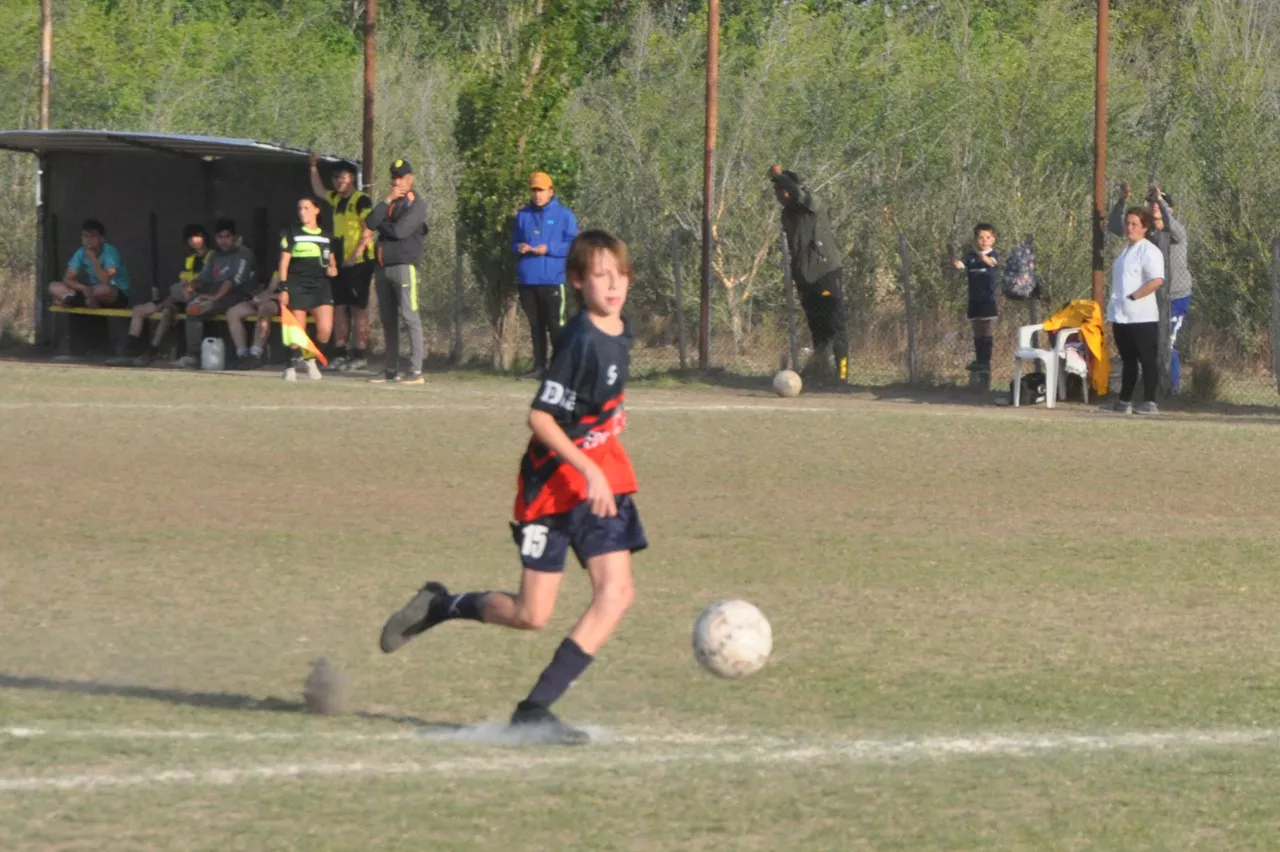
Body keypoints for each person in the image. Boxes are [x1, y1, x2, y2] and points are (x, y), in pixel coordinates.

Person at [378, 230, 646, 744]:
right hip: (551, 487)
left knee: (616, 593)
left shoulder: (621, 328)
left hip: (603, 481)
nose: (614, 285)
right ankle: (441, 605)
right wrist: (587, 467)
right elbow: (541, 419)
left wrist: (610, 425)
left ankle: (534, 709)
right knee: (531, 615)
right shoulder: (579, 342)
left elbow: (601, 394)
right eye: (600, 275)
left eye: (621, 274)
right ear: (576, 281)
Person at [1109, 181, 1194, 388]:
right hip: (1153, 298)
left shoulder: (1177, 234)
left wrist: (1161, 201)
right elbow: (1114, 226)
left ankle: (1172, 388)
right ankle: (1154, 386)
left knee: (1167, 342)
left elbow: (1170, 223)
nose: (1154, 204)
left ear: (1169, 208)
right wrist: (1122, 200)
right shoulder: (1148, 235)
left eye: (1160, 201)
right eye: (1151, 201)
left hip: (1176, 296)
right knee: (1150, 344)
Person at [769, 165, 849, 383]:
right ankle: (822, 372)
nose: (779, 195)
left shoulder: (812, 204)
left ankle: (842, 376)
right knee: (817, 327)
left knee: (836, 325)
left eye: (782, 190)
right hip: (804, 277)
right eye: (776, 190)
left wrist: (780, 176)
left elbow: (797, 194)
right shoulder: (787, 215)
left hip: (825, 272)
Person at [109, 224, 210, 367]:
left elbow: (206, 281)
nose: (194, 240)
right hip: (182, 297)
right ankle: (139, 349)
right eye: (190, 238)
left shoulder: (212, 256)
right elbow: (183, 279)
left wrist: (188, 287)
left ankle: (154, 347)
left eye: (197, 236)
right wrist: (184, 287)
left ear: (204, 237)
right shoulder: (190, 259)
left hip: (199, 297)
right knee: (149, 309)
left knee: (172, 298)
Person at [310, 156, 375, 372]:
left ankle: (359, 353)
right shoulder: (337, 200)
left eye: (343, 177)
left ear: (351, 179)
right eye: (336, 177)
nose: (339, 181)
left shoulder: (361, 200)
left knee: (359, 308)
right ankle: (340, 352)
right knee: (339, 307)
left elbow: (369, 230)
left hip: (359, 263)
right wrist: (312, 166)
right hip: (339, 264)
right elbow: (319, 190)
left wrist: (355, 254)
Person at [512, 171, 579, 380]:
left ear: (551, 191)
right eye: (534, 190)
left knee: (556, 326)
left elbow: (573, 244)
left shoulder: (564, 215)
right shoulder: (523, 215)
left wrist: (548, 248)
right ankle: (539, 367)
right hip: (527, 280)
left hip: (552, 279)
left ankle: (560, 369)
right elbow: (513, 242)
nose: (537, 194)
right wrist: (519, 246)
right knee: (535, 326)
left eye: (541, 190)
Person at [366, 158, 427, 385]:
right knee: (388, 320)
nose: (397, 181)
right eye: (393, 176)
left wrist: (381, 223)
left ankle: (416, 371)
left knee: (410, 317)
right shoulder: (390, 202)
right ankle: (390, 369)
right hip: (382, 267)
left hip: (404, 266)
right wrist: (386, 201)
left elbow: (400, 231)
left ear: (411, 178)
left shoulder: (416, 203)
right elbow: (370, 221)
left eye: (401, 177)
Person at [173, 219, 258, 369]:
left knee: (194, 308)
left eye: (227, 236)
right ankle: (193, 355)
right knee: (178, 292)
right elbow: (203, 278)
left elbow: (234, 280)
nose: (223, 241)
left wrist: (215, 296)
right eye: (220, 237)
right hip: (215, 296)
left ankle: (193, 355)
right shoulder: (215, 255)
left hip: (238, 297)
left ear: (235, 237)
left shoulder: (244, 253)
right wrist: (191, 286)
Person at [1109, 207, 1166, 415]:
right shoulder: (1125, 250)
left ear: (1144, 228)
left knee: (1147, 359)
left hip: (1142, 317)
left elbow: (1157, 280)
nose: (1129, 228)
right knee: (1128, 360)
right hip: (1122, 316)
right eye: (1127, 223)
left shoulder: (1149, 251)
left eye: (1134, 224)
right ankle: (1124, 400)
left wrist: (1134, 296)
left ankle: (1150, 401)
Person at [278, 198, 338, 381]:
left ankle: (310, 359)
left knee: (325, 329)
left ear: (317, 210)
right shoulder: (292, 233)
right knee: (298, 329)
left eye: (306, 208)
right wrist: (283, 288)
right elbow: (283, 263)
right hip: (297, 284)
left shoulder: (327, 236)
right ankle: (290, 364)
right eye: (299, 208)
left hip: (320, 285)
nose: (302, 212)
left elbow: (332, 264)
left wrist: (333, 269)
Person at [951, 223, 1001, 373]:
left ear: (993, 239)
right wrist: (951, 252)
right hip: (974, 300)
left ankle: (985, 361)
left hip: (987, 300)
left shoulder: (993, 255)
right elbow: (958, 265)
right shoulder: (969, 257)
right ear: (975, 239)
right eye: (980, 238)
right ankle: (979, 360)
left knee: (985, 329)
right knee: (977, 331)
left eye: (987, 237)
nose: (984, 240)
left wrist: (976, 252)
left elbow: (989, 262)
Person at [48, 219, 132, 309]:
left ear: (102, 239)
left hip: (116, 295)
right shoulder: (81, 252)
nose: (88, 240)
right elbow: (68, 279)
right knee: (53, 286)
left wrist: (93, 259)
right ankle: (80, 300)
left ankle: (71, 301)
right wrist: (83, 288)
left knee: (105, 288)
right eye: (85, 236)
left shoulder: (110, 252)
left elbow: (106, 280)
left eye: (93, 236)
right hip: (90, 291)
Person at [226, 272, 282, 371]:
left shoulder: (298, 271)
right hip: (264, 301)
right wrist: (259, 297)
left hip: (280, 304)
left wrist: (270, 297)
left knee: (264, 310)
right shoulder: (278, 271)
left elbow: (291, 295)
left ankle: (255, 355)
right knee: (232, 313)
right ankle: (242, 355)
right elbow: (270, 290)